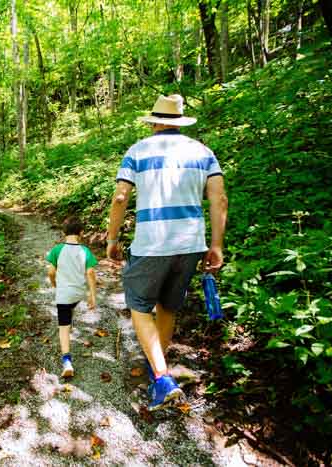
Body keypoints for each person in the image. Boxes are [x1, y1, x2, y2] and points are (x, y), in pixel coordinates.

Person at [106, 94, 228, 410]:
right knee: (168, 306)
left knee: (139, 305)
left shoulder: (137, 151)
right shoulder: (204, 153)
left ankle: (161, 378)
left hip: (152, 243)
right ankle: (157, 363)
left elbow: (120, 198)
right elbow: (219, 200)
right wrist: (216, 245)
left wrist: (112, 238)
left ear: (155, 122)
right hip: (191, 243)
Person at [46, 217, 98, 378]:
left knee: (63, 327)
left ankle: (67, 361)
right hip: (78, 293)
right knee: (71, 307)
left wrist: (54, 283)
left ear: (63, 232)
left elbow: (51, 271)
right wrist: (92, 296)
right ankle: (70, 319)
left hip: (63, 294)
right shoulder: (85, 251)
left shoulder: (57, 250)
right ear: (81, 233)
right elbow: (90, 273)